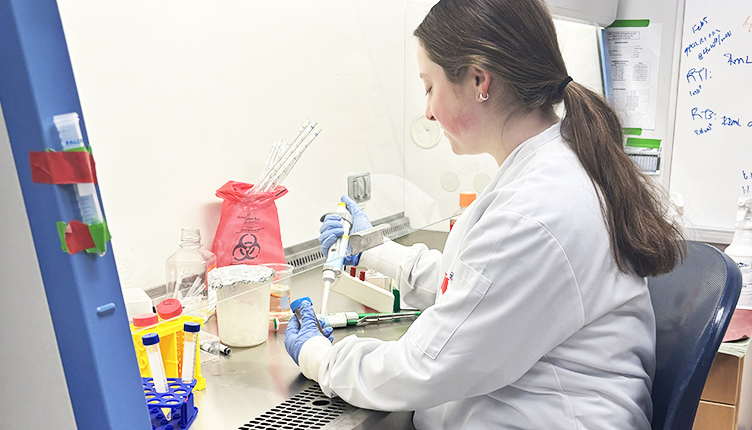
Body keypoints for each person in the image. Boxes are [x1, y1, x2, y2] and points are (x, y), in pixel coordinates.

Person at [284, 0, 684, 427]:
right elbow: (477, 285)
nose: (428, 110)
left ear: (479, 79)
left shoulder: (537, 209)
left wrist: (322, 358)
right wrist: (375, 251)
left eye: (429, 86)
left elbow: (426, 365)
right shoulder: (549, 167)